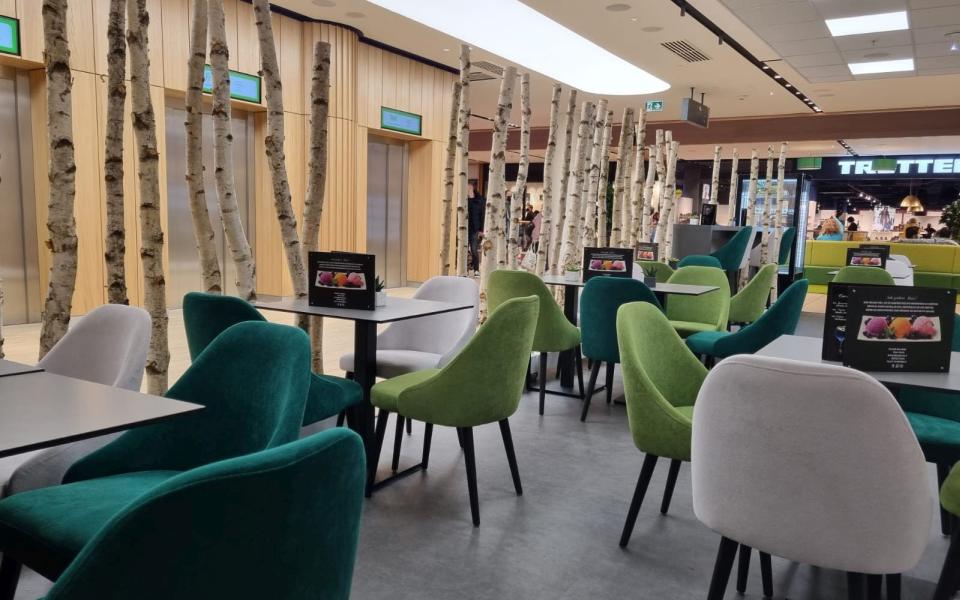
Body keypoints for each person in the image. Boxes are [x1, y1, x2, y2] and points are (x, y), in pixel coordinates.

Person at [467, 182, 485, 274]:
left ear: (473, 188)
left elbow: (482, 216)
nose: (468, 188)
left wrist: (481, 230)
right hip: (464, 228)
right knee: (463, 249)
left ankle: (476, 269)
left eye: (470, 187)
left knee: (474, 249)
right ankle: (465, 269)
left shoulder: (479, 200)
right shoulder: (463, 199)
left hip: (475, 229)